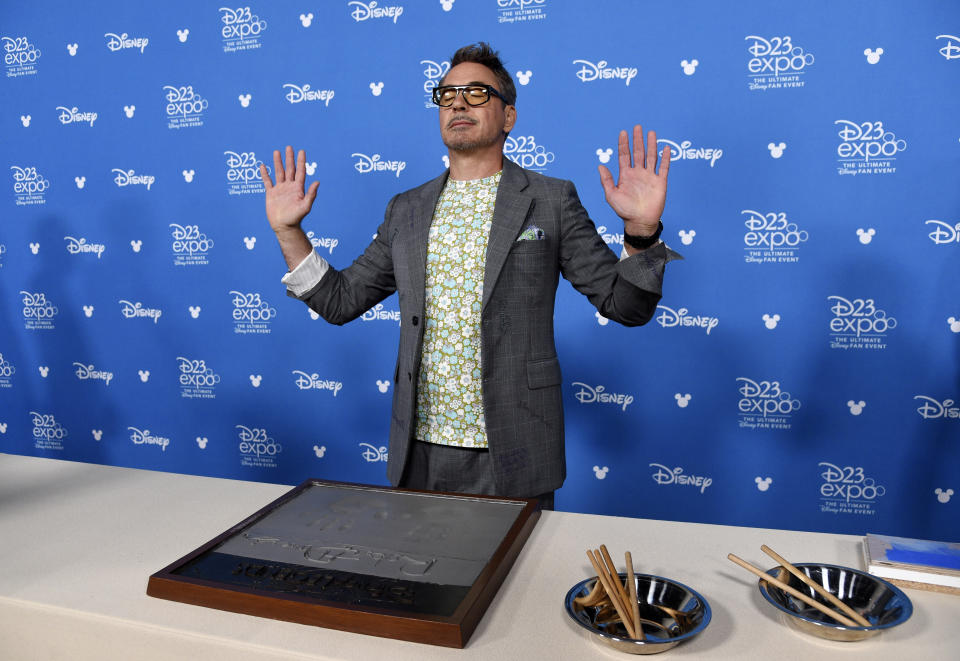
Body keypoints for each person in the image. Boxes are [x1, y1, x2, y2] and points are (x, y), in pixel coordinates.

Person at [260, 43, 678, 509]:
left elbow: (627, 307)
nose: (458, 102)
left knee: (515, 582)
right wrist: (289, 231)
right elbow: (341, 301)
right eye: (447, 94)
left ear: (508, 116)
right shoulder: (407, 208)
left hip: (515, 450)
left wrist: (641, 233)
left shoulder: (551, 200)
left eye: (477, 93)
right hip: (418, 453)